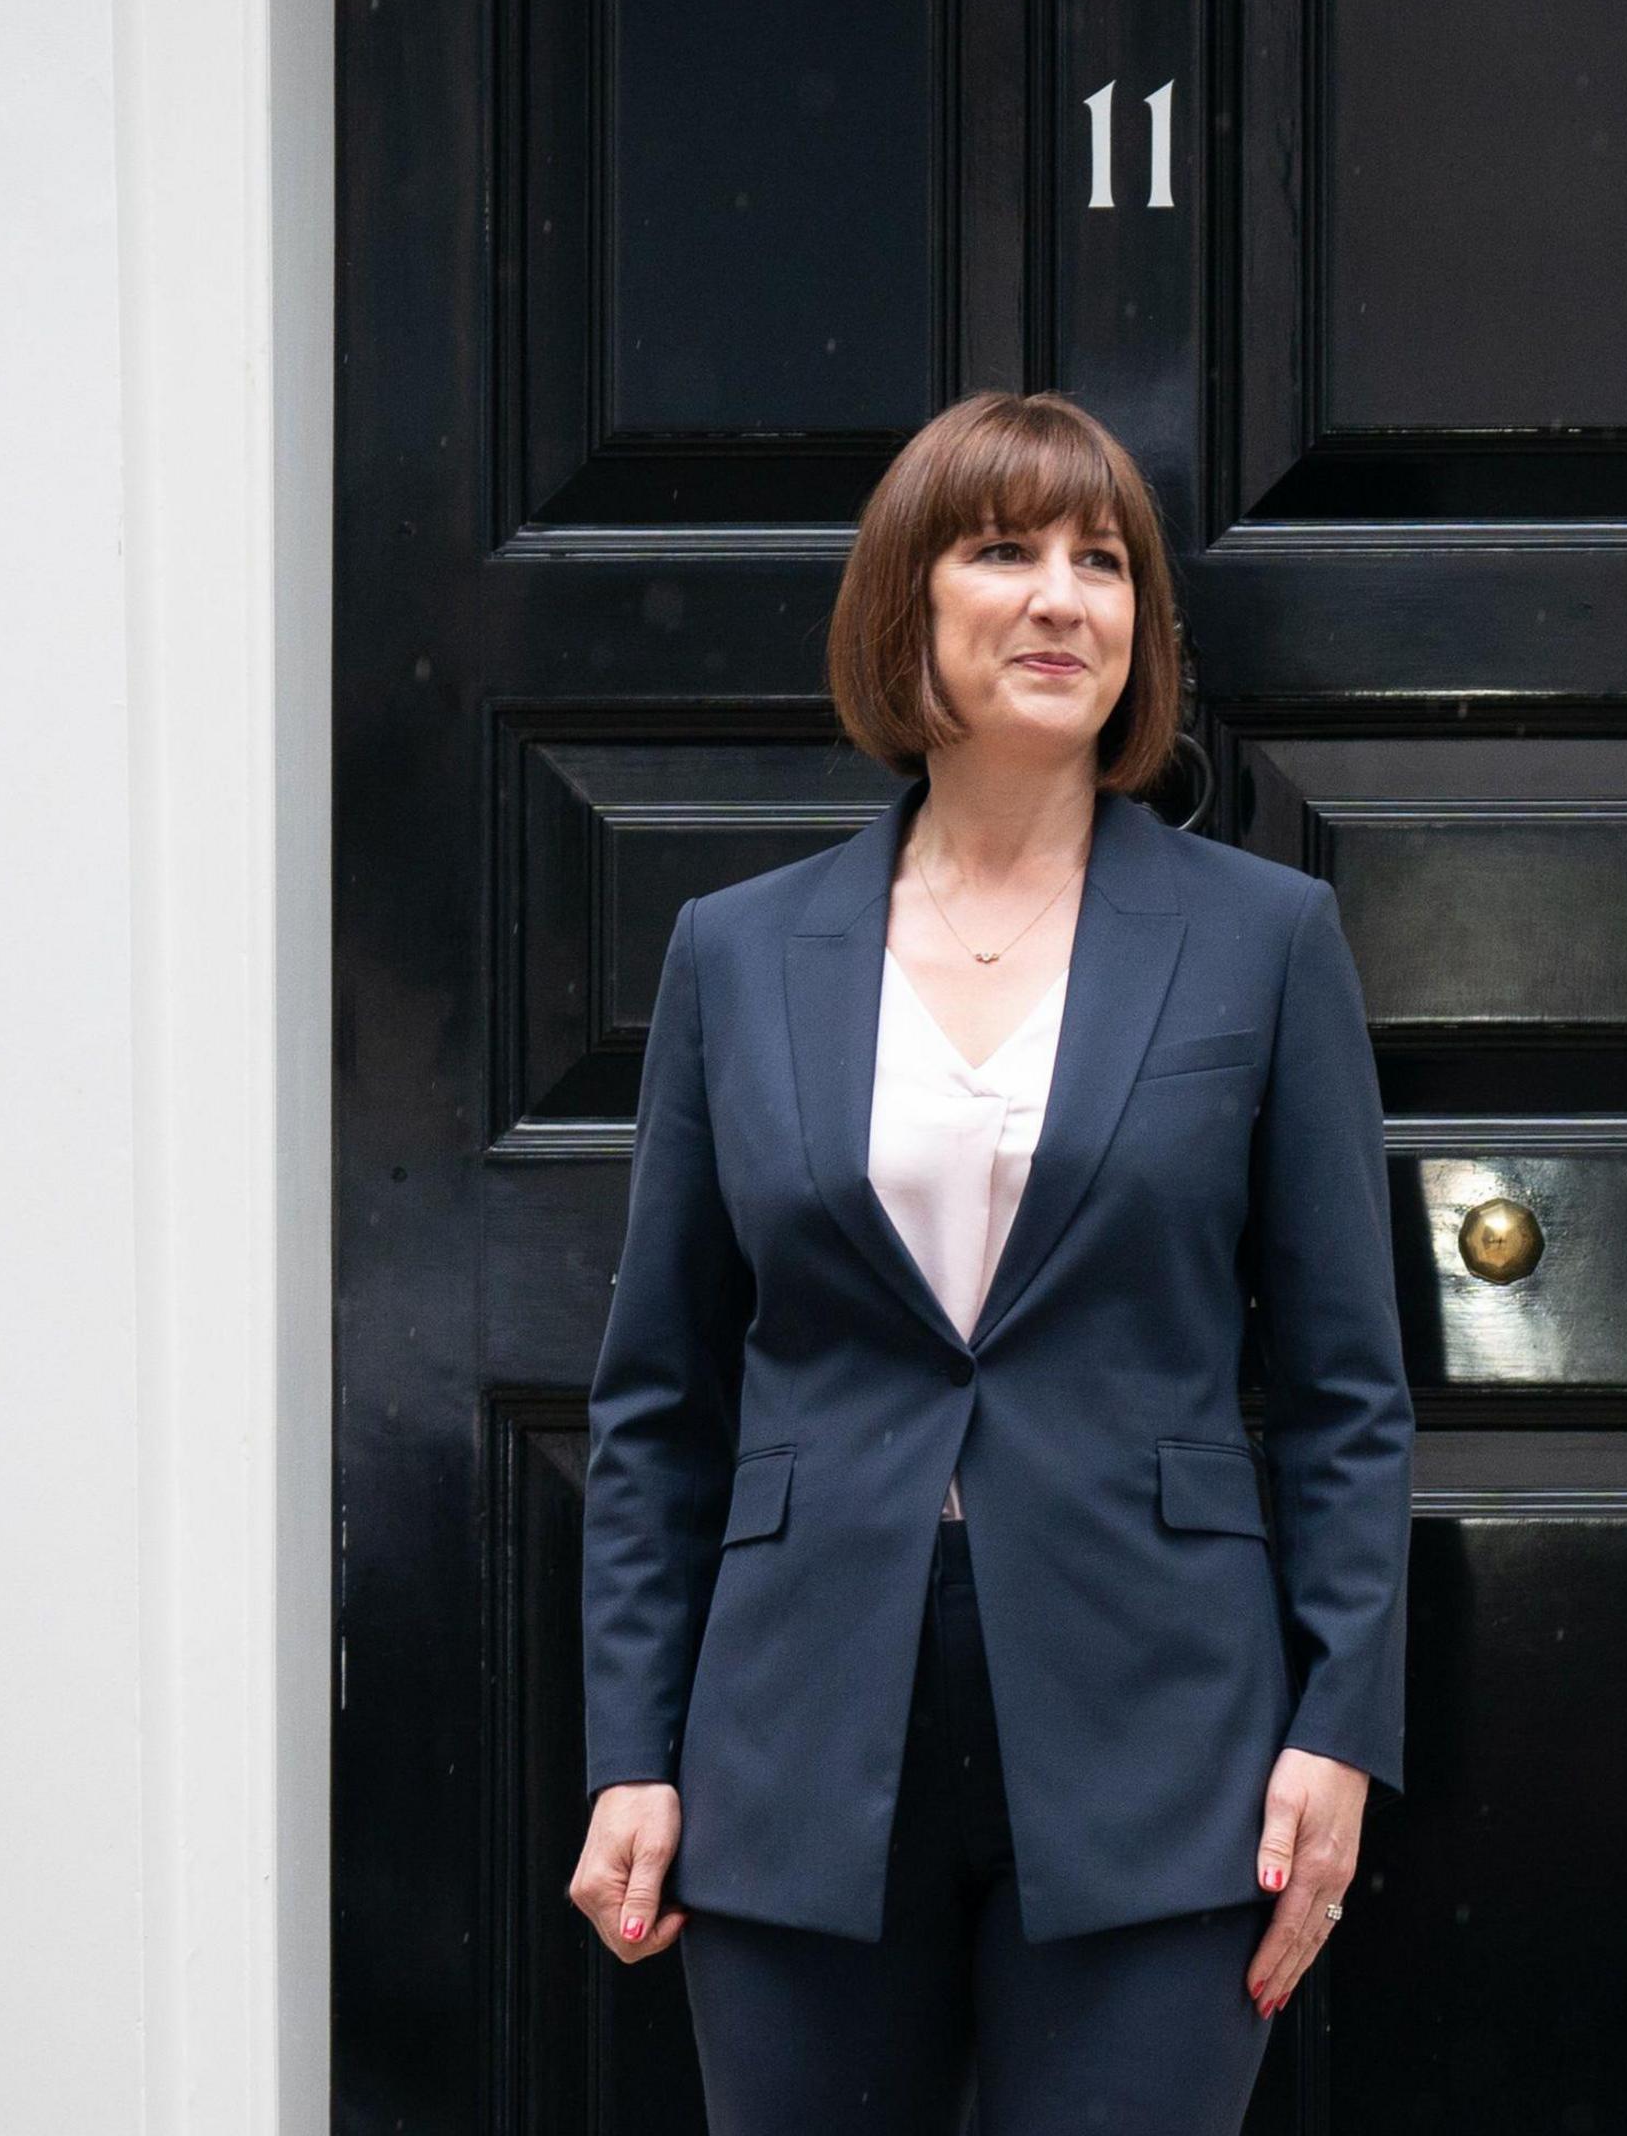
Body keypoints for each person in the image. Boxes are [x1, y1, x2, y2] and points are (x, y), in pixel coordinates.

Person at [564, 389, 1416, 2135]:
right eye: (1004, 551)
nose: (1063, 598)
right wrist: (632, 1751)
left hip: (1163, 1731)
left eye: (1103, 563)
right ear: (905, 609)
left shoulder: (1262, 944)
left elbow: (1343, 1388)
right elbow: (660, 1399)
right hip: (796, 1734)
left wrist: (1341, 1726)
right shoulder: (739, 955)